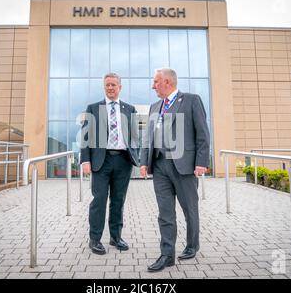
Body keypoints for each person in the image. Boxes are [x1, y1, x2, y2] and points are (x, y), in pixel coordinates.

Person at [140, 68, 211, 272]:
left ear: (167, 82)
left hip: (184, 166)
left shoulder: (190, 100)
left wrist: (201, 162)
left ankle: (191, 246)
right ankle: (167, 255)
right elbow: (149, 138)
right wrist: (144, 161)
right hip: (160, 166)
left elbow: (203, 135)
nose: (153, 86)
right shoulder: (154, 107)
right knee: (165, 213)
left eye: (155, 82)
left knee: (190, 209)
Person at [80, 73, 139, 255]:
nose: (110, 88)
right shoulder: (93, 108)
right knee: (99, 200)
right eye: (107, 85)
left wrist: (140, 159)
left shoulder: (130, 109)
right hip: (101, 160)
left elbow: (135, 137)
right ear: (104, 87)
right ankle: (95, 239)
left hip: (123, 160)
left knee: (118, 201)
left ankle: (115, 237)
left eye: (113, 85)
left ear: (120, 87)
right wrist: (85, 160)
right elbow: (85, 137)